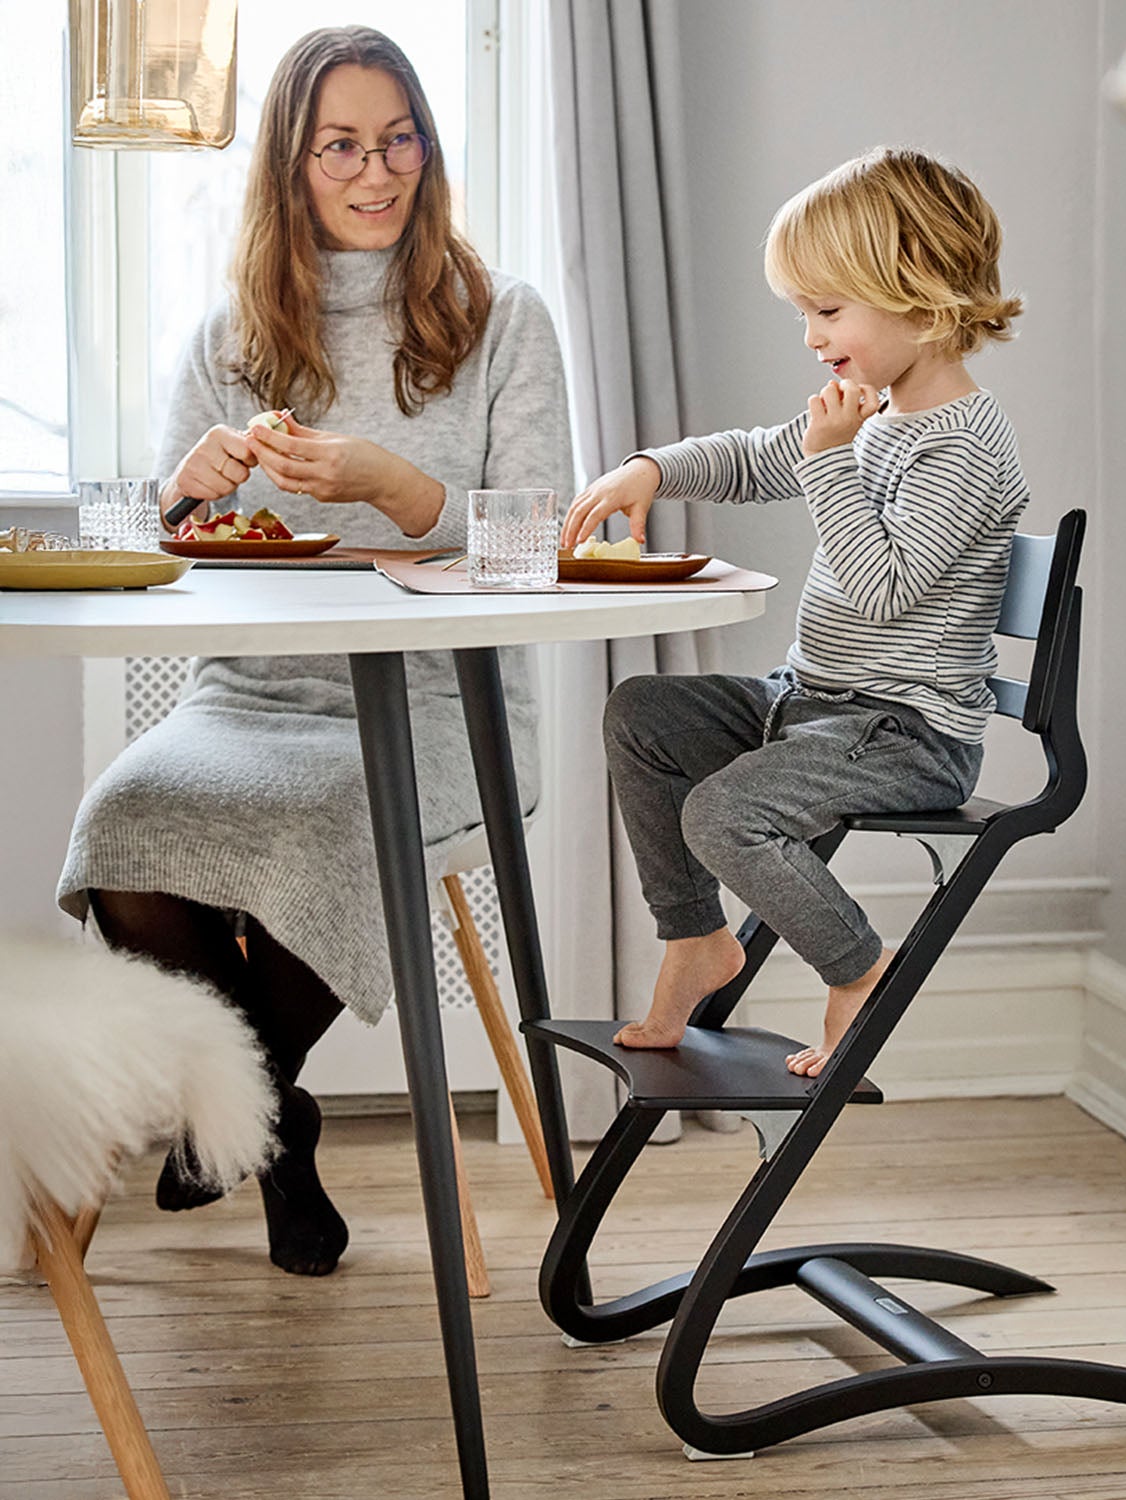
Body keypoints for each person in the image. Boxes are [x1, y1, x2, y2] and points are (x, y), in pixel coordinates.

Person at [57, 26, 572, 1275]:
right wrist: (176, 496)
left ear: (428, 149)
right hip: (249, 696)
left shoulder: (502, 319)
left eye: (399, 140)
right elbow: (155, 554)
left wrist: (398, 487)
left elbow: (538, 548)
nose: (375, 171)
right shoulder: (229, 336)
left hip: (444, 706)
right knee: (121, 825)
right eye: (340, 145)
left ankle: (231, 1118)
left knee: (347, 821)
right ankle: (276, 1129)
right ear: (291, 164)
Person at [560, 146, 1028, 1080]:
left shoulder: (967, 447)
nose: (812, 337)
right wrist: (653, 469)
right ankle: (697, 938)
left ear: (918, 295)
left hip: (906, 732)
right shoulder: (876, 415)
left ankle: (859, 968)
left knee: (722, 814)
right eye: (803, 313)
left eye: (827, 309)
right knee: (642, 713)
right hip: (814, 702)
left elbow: (882, 585)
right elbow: (757, 456)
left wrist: (829, 460)